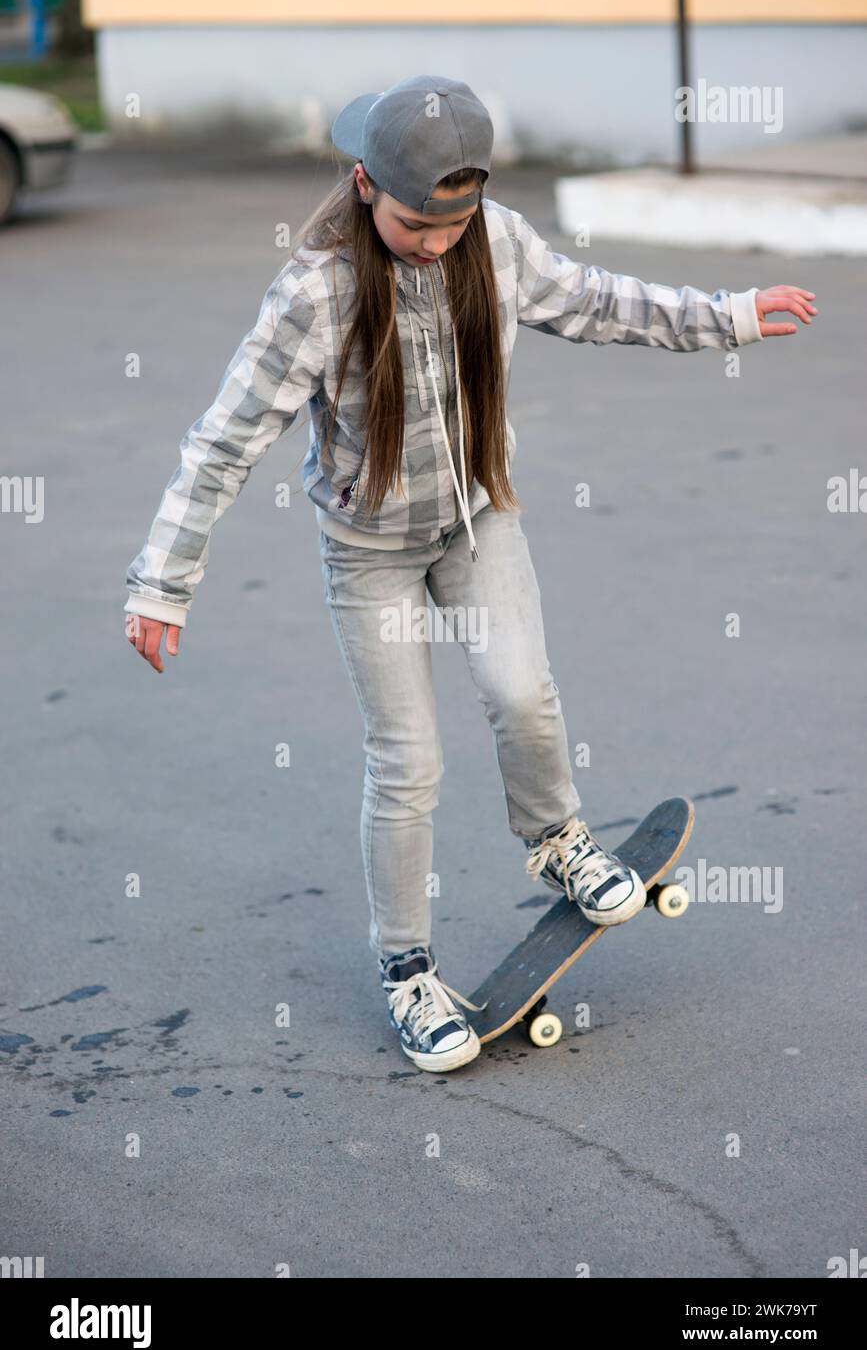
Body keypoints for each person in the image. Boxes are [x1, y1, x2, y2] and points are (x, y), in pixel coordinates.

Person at [124, 75, 817, 1075]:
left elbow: (596, 301)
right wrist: (161, 583)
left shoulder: (495, 240)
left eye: (455, 225)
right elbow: (223, 443)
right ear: (364, 186)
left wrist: (733, 314)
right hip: (368, 554)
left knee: (522, 691)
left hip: (475, 520)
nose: (439, 244)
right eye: (417, 226)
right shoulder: (313, 293)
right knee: (408, 764)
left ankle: (558, 840)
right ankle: (408, 972)